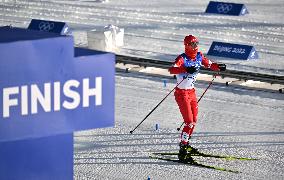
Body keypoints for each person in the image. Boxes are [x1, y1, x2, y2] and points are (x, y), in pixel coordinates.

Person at [168, 35, 226, 162]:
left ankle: (186, 144)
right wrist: (185, 68)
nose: (195, 46)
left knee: (193, 121)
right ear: (187, 45)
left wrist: (218, 66)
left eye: (196, 44)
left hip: (192, 93)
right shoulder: (182, 58)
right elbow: (171, 69)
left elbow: (210, 64)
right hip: (181, 93)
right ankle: (182, 150)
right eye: (193, 44)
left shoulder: (199, 55)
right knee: (188, 122)